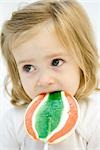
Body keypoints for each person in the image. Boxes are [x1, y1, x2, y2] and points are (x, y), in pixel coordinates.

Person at [0, 0, 100, 150]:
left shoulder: (94, 118)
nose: (44, 80)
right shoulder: (13, 122)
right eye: (28, 67)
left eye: (56, 62)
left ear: (83, 60)